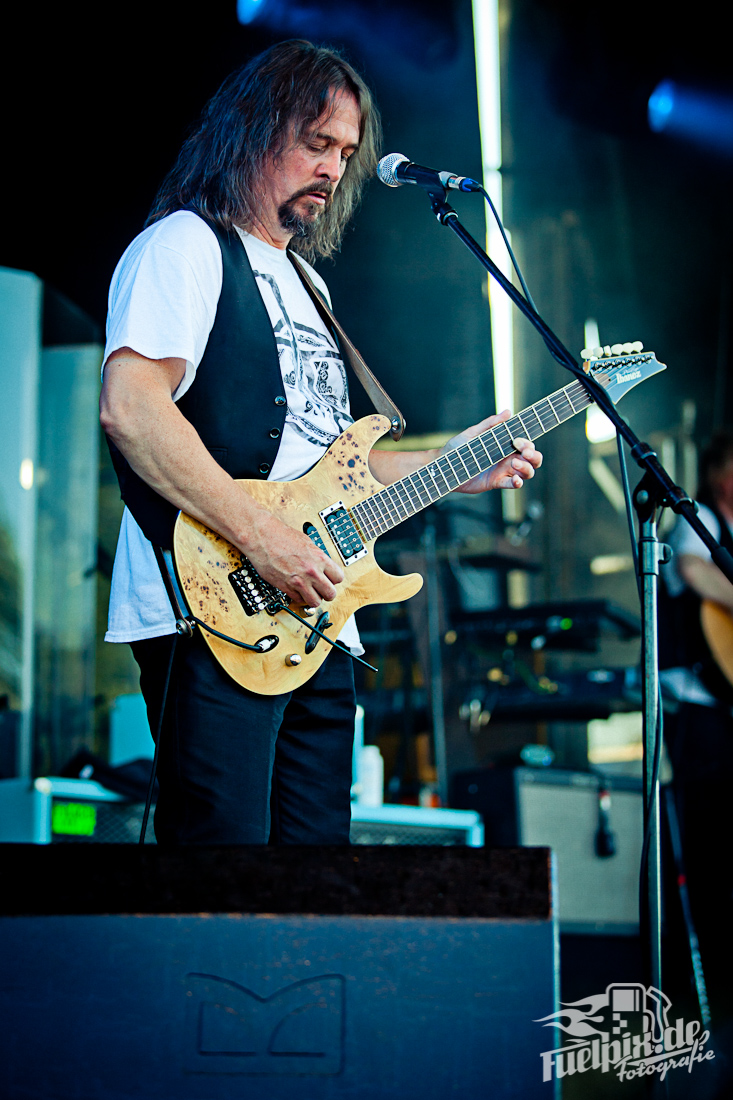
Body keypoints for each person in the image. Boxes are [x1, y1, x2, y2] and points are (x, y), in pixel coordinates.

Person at [99, 39, 542, 845]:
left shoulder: (311, 285)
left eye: (345, 151)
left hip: (322, 619)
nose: (335, 169)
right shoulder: (186, 248)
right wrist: (264, 539)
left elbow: (337, 468)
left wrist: (459, 465)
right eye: (317, 143)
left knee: (314, 884)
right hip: (216, 605)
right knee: (222, 869)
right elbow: (132, 410)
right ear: (252, 129)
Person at [661, 430, 733, 987]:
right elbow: (694, 571)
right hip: (695, 700)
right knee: (704, 829)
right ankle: (703, 962)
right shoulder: (697, 518)